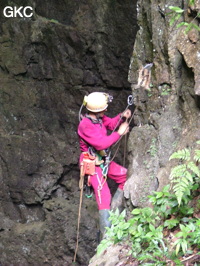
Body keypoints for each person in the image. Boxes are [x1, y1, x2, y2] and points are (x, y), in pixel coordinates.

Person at [77, 92, 131, 237]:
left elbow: (110, 124)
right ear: (96, 110)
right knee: (104, 197)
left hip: (103, 161)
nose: (106, 110)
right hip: (93, 165)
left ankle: (116, 212)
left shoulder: (98, 118)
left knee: (124, 176)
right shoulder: (85, 125)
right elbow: (101, 144)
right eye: (104, 108)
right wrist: (119, 133)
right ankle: (106, 237)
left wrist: (121, 117)